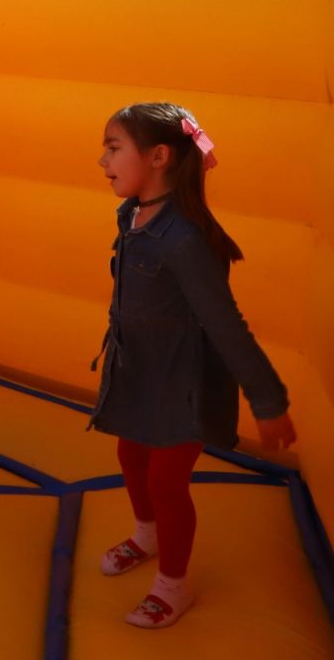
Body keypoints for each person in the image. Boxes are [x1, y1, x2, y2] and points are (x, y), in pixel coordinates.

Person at [91, 102, 295, 629]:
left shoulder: (185, 240)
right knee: (130, 456)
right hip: (137, 370)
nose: (102, 161)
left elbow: (227, 326)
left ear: (158, 156)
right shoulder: (131, 212)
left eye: (113, 148)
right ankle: (147, 536)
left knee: (166, 481)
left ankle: (173, 586)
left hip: (183, 383)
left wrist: (268, 402)